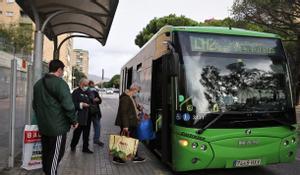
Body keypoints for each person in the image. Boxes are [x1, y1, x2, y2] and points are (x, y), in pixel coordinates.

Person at [33, 59, 78, 175]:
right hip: (57, 128)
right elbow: (69, 106)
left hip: (43, 127)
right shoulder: (61, 84)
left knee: (47, 154)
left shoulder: (38, 84)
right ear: (59, 70)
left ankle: (47, 172)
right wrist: (74, 121)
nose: (63, 74)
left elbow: (35, 105)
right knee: (55, 156)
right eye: (62, 71)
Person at [113, 83, 146, 164]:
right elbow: (123, 112)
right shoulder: (125, 98)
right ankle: (117, 158)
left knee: (133, 139)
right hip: (128, 123)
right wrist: (125, 126)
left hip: (132, 122)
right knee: (124, 140)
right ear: (134, 89)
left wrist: (139, 107)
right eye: (137, 91)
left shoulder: (131, 97)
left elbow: (133, 107)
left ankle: (134, 156)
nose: (137, 92)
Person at [70, 78, 93, 153]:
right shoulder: (76, 92)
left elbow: (92, 100)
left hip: (88, 116)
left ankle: (85, 148)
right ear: (81, 84)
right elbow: (72, 104)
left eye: (87, 85)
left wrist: (92, 98)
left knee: (86, 134)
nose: (86, 86)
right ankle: (73, 145)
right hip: (79, 116)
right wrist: (81, 104)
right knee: (77, 133)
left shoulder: (88, 91)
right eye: (85, 85)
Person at [87, 80, 104, 146]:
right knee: (87, 128)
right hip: (88, 112)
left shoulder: (95, 92)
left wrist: (98, 100)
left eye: (92, 84)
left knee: (97, 127)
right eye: (91, 84)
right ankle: (87, 139)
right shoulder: (86, 91)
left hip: (95, 112)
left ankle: (96, 140)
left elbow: (100, 101)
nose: (92, 85)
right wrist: (93, 100)